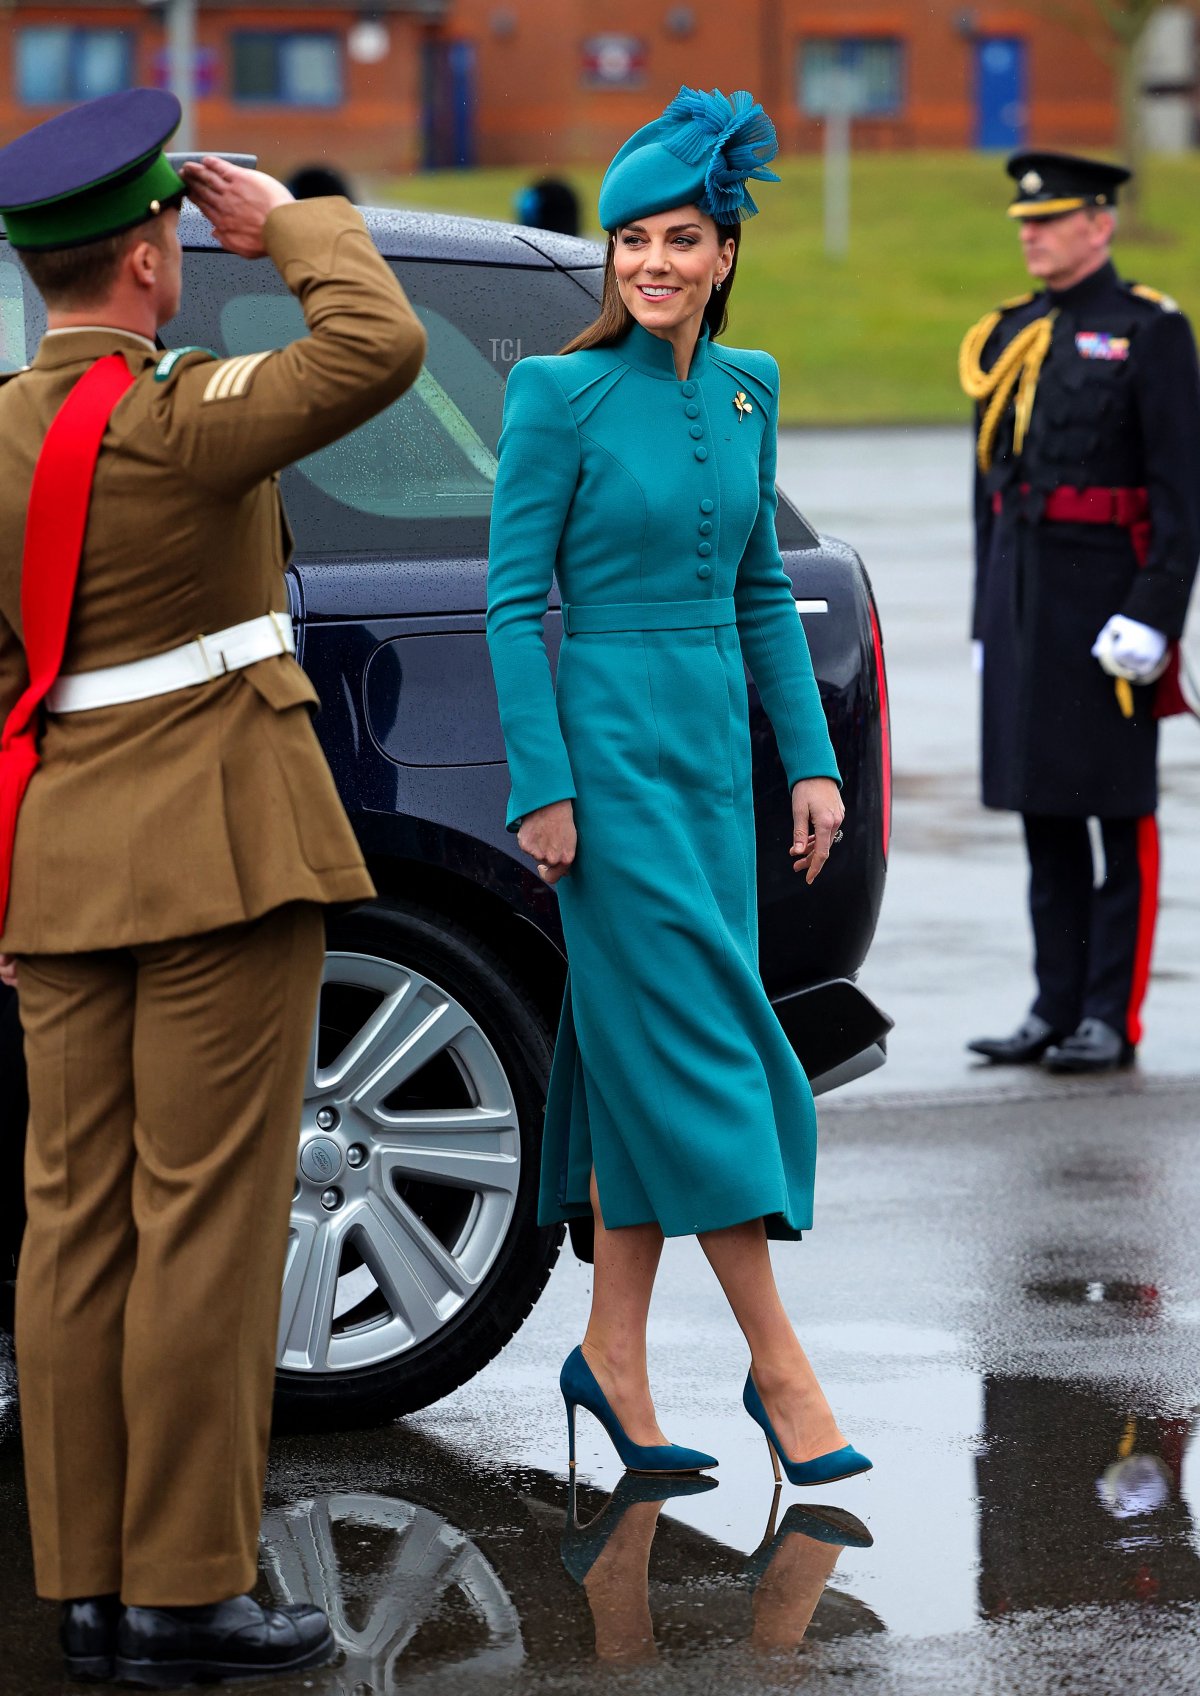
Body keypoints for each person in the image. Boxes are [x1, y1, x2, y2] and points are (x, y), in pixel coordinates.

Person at [0, 89, 426, 1684]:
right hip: (214, 856)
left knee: (72, 1231)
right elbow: (374, 347)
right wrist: (297, 224)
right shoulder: (175, 416)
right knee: (204, 1225)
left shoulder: (3, 427)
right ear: (151, 259)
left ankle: (92, 1584)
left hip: (59, 867)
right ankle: (185, 1591)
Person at [486, 87, 871, 1489]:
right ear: (611, 255)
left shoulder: (750, 384)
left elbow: (764, 588)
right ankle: (785, 1370)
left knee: (639, 1053)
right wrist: (544, 785)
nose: (654, 260)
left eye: (684, 238)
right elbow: (511, 601)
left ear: (724, 256)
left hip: (714, 757)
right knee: (709, 1049)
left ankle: (615, 1358)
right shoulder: (555, 392)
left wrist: (812, 765)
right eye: (633, 237)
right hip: (608, 759)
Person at [959, 150, 1200, 1074]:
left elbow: (1182, 493)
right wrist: (988, 621)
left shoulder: (1150, 331)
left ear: (1099, 225)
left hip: (1110, 607)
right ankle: (1053, 1003)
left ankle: (1111, 1013)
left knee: (1114, 810)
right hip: (1027, 601)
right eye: (1024, 222)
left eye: (1050, 220)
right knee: (1042, 809)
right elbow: (992, 491)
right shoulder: (1011, 334)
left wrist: (1156, 613)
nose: (1032, 234)